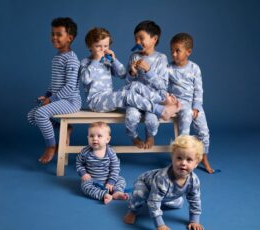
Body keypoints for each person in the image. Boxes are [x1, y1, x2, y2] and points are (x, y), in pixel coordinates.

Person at [79, 27, 180, 120]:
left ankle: (162, 101)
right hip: (96, 102)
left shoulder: (106, 60)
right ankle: (160, 110)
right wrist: (96, 60)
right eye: (98, 46)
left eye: (105, 46)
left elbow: (122, 73)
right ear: (90, 46)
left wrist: (114, 60)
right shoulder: (86, 62)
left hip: (109, 97)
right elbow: (85, 79)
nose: (102, 50)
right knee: (127, 95)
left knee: (135, 85)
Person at [27, 17, 81, 164]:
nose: (54, 37)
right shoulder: (57, 57)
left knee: (40, 113)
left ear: (70, 38)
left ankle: (51, 146)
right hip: (59, 99)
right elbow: (55, 83)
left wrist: (51, 100)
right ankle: (66, 128)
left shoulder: (71, 59)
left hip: (71, 101)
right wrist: (46, 95)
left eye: (59, 34)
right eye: (53, 34)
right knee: (32, 116)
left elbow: (70, 87)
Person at [124, 135, 204, 230]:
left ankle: (154, 198)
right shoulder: (162, 179)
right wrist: (160, 225)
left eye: (189, 160)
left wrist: (194, 220)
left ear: (196, 164)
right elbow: (154, 202)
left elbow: (195, 200)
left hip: (166, 193)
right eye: (179, 158)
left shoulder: (194, 180)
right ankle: (132, 211)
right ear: (172, 158)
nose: (183, 163)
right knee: (141, 194)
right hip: (145, 183)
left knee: (178, 203)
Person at [167, 32, 214, 173]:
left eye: (177, 51)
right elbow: (162, 86)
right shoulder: (168, 69)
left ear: (188, 52)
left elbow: (199, 91)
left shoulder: (194, 68)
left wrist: (197, 108)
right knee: (185, 130)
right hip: (178, 104)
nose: (174, 54)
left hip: (193, 104)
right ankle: (182, 158)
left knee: (204, 132)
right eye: (172, 51)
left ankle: (204, 158)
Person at [125, 20, 169, 149]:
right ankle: (133, 137)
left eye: (141, 38)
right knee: (131, 117)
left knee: (151, 121)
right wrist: (131, 73)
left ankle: (150, 135)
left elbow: (162, 86)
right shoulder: (134, 57)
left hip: (154, 100)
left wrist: (149, 70)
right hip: (136, 100)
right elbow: (128, 84)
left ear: (154, 39)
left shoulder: (161, 58)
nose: (137, 42)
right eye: (136, 39)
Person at [76, 122, 128, 204]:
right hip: (93, 181)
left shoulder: (110, 153)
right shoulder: (85, 152)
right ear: (88, 138)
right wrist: (83, 173)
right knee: (85, 186)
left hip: (108, 179)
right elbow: (79, 163)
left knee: (121, 179)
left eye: (99, 136)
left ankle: (117, 192)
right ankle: (104, 195)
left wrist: (111, 181)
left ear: (107, 139)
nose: (95, 139)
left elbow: (115, 168)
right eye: (91, 136)